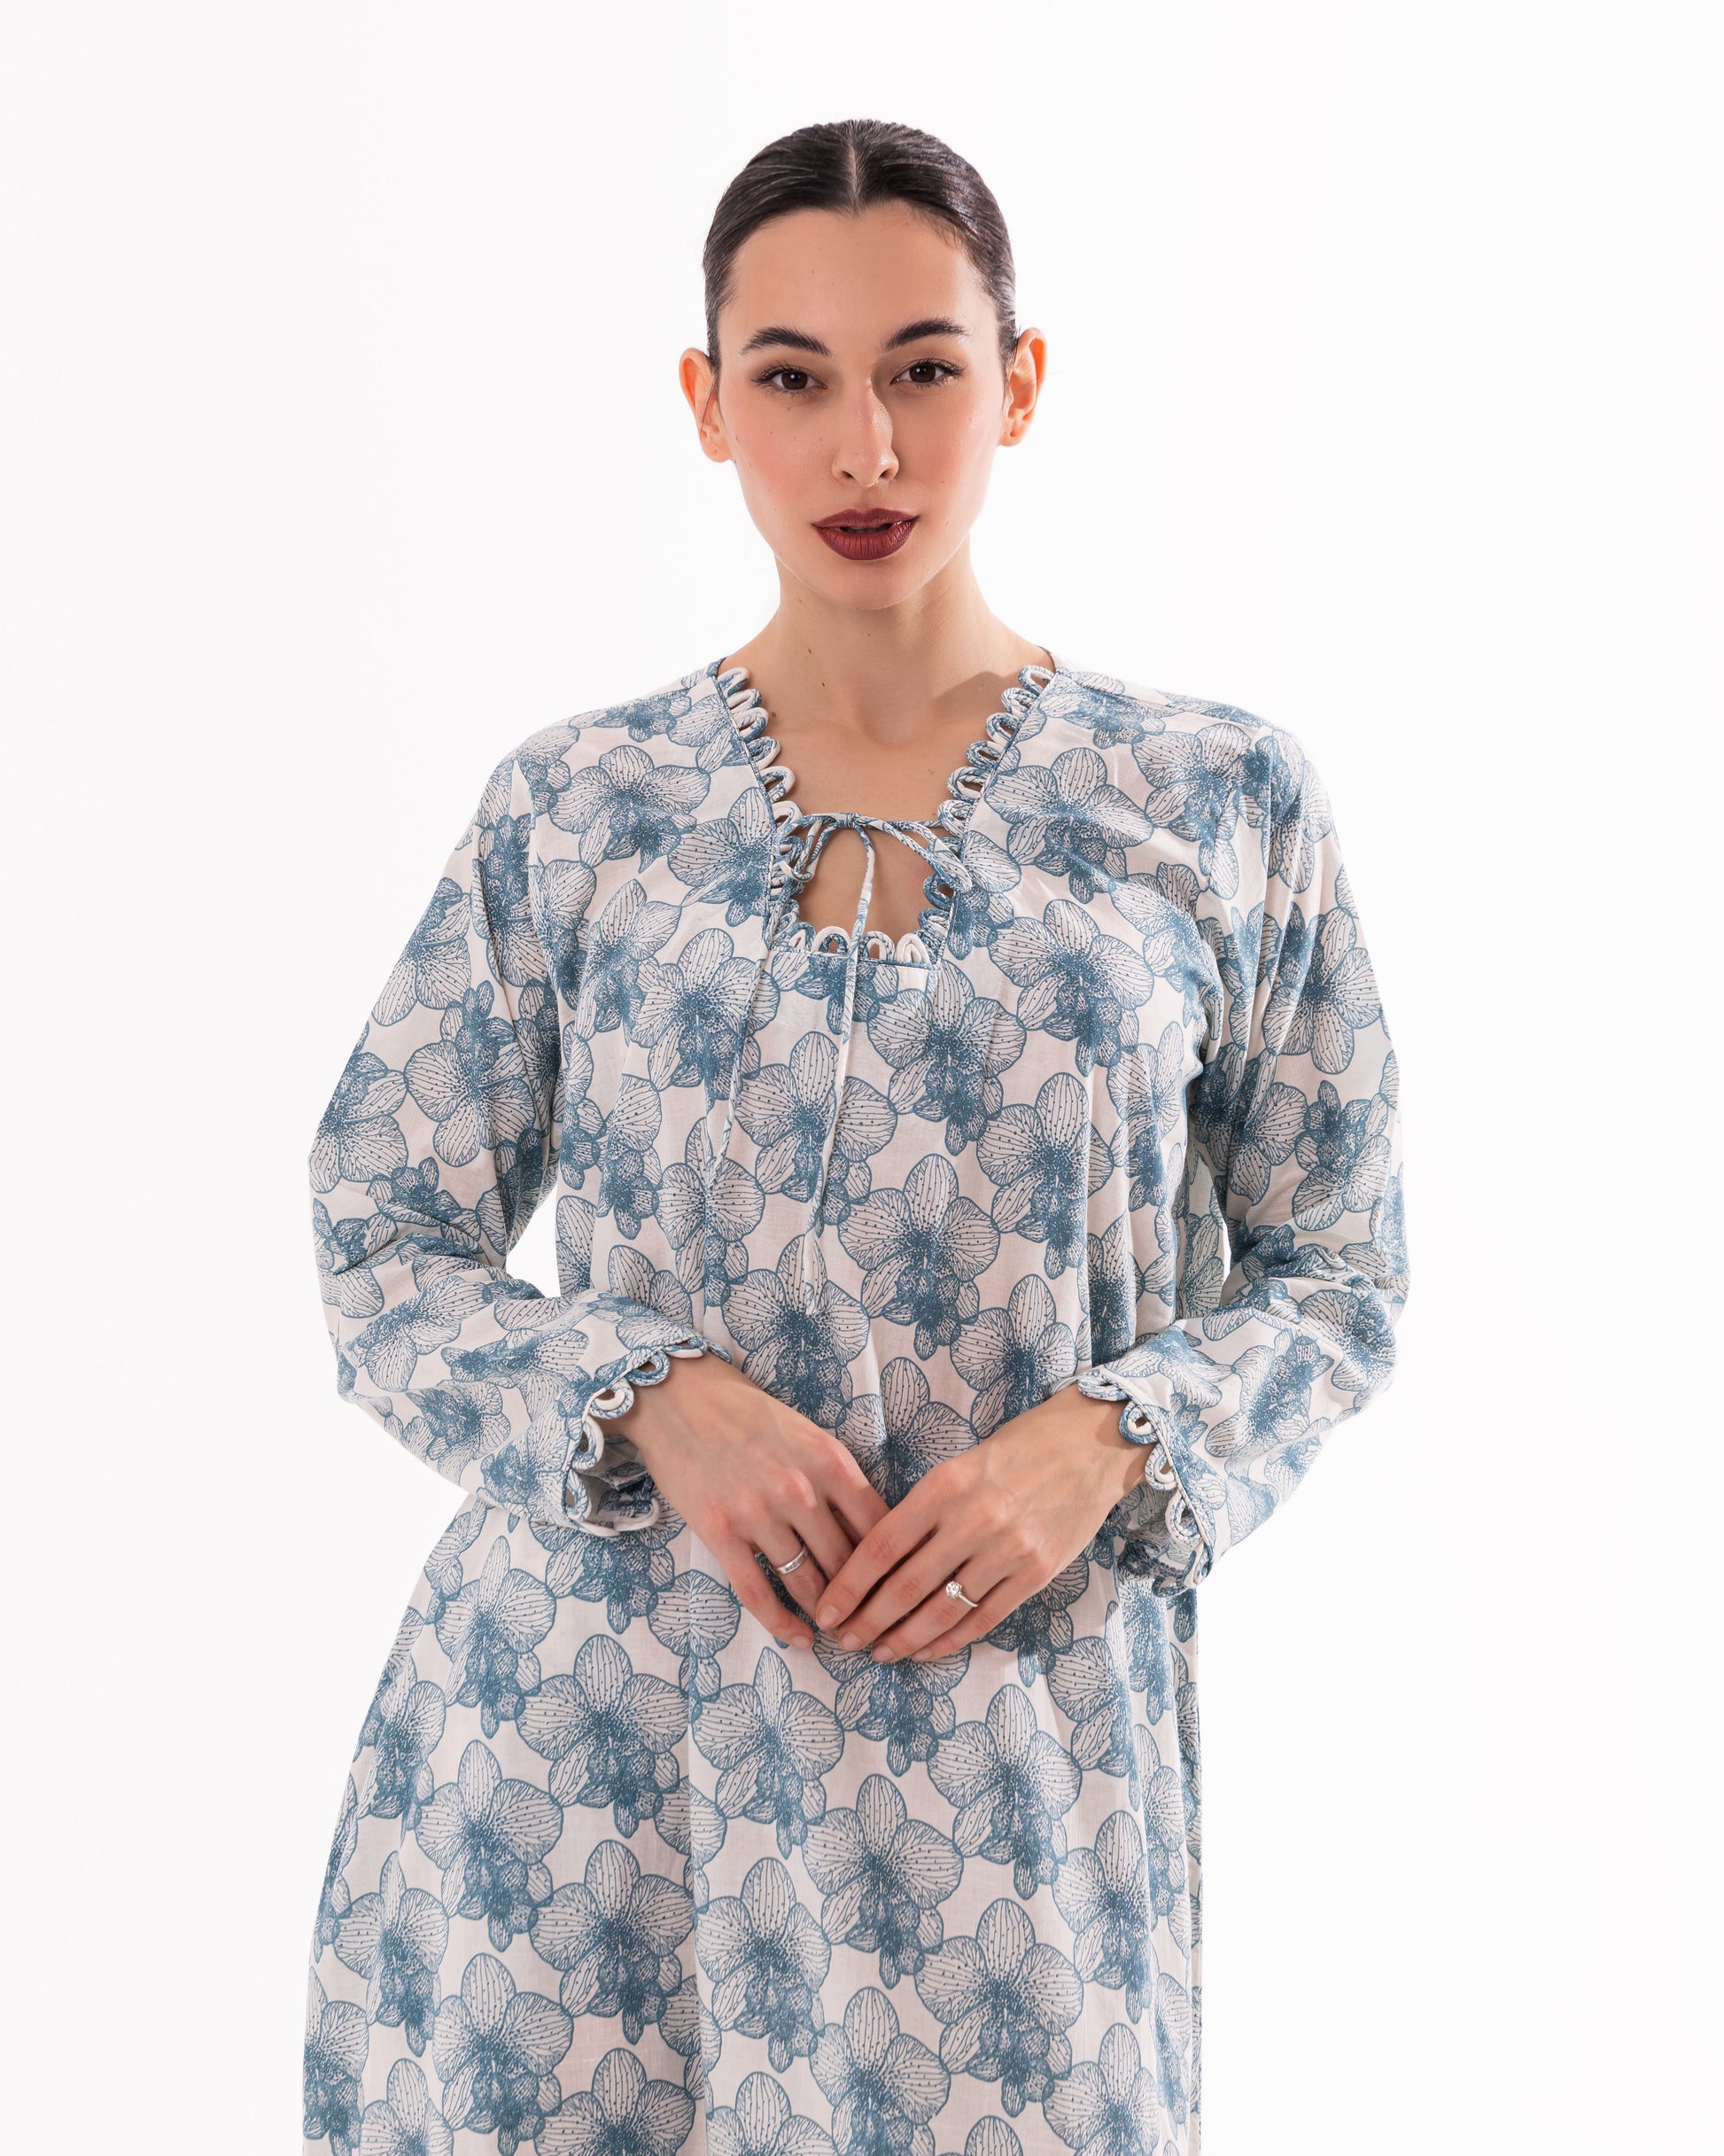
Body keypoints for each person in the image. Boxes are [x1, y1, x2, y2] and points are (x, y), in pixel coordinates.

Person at [300, 116, 1410, 2156]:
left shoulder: (1214, 799)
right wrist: (652, 1396)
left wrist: (1109, 1437)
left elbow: (1338, 1273)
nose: (866, 447)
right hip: (579, 1773)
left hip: (1013, 1778)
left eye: (921, 367)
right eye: (794, 377)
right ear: (707, 402)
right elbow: (382, 1232)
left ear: (1020, 380)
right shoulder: (579, 807)